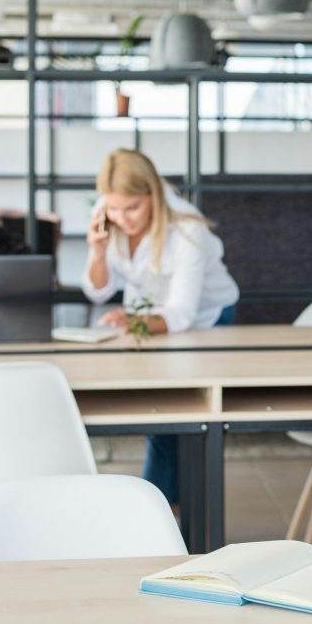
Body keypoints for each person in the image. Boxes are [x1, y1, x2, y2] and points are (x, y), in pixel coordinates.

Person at [82, 148, 239, 508]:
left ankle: (159, 515)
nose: (123, 219)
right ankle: (165, 514)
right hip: (150, 320)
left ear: (153, 193)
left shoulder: (187, 229)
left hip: (210, 319)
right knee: (164, 420)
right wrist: (97, 251)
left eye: (133, 208)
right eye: (114, 209)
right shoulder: (109, 213)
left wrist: (131, 320)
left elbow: (182, 313)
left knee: (177, 422)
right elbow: (98, 290)